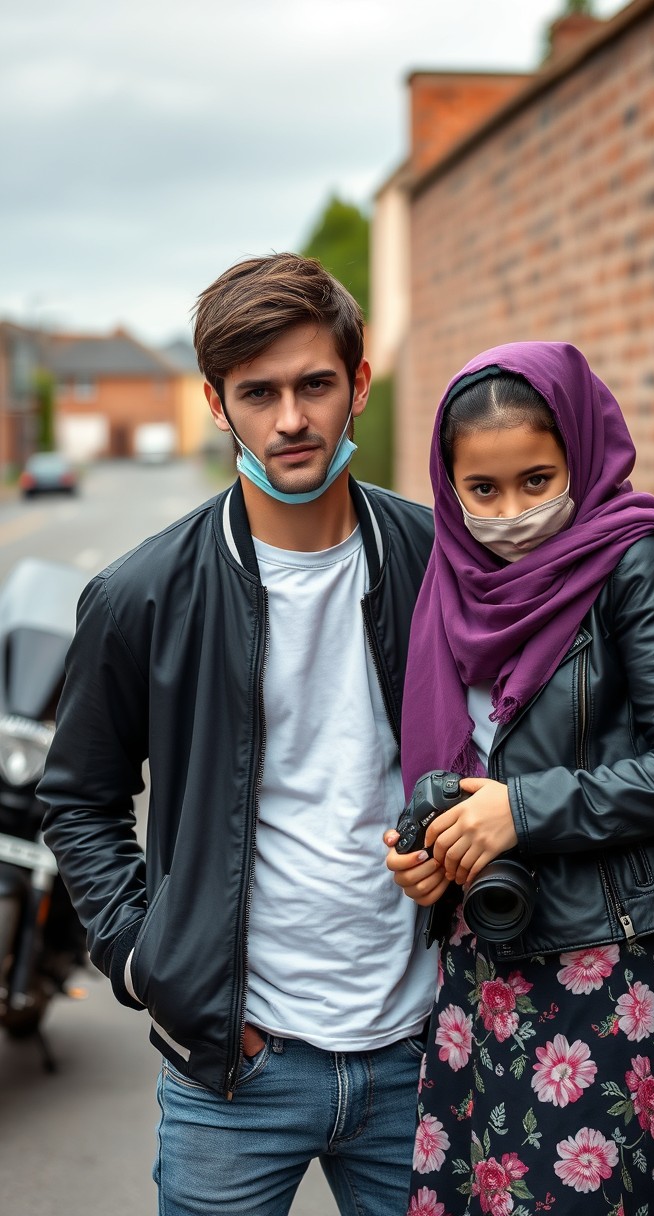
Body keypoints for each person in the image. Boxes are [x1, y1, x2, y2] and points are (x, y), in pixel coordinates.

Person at [39, 252, 438, 1216]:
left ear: (359, 386)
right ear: (218, 404)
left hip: (421, 1049)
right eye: (258, 393)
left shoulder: (435, 560)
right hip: (236, 1070)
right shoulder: (141, 594)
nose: (291, 420)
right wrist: (144, 962)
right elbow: (78, 799)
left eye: (314, 385)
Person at [385, 342, 654, 1216]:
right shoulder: (452, 582)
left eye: (538, 480)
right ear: (451, 486)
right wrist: (426, 855)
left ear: (581, 454)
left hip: (605, 971)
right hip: (483, 965)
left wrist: (523, 814)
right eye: (485, 491)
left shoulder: (633, 561)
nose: (513, 513)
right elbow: (461, 761)